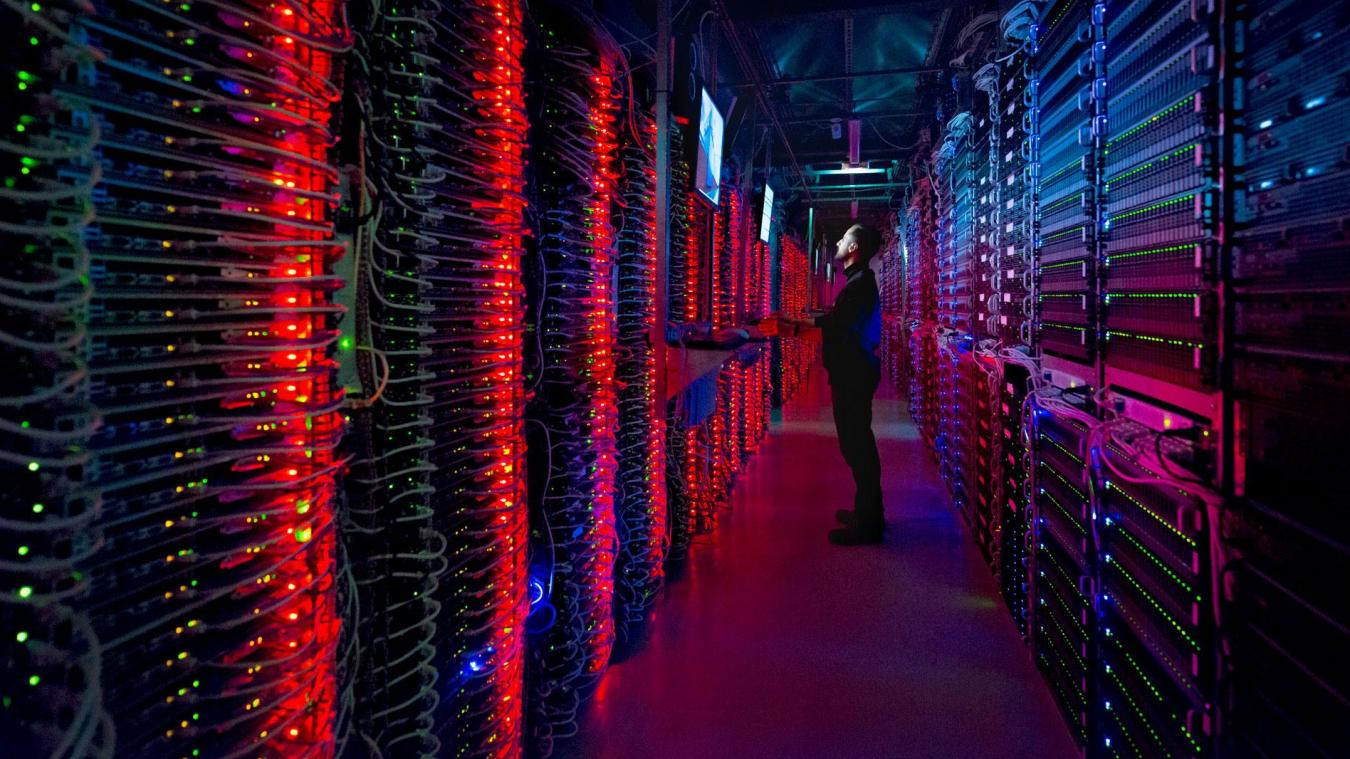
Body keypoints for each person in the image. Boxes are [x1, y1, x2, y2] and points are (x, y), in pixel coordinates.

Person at [780, 224, 885, 545]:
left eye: (844, 239)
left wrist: (792, 328)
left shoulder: (860, 285)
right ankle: (866, 512)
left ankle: (868, 524)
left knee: (857, 447)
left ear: (854, 249)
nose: (838, 242)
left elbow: (838, 328)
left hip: (854, 373)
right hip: (854, 371)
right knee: (856, 445)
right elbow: (837, 321)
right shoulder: (858, 282)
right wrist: (798, 322)